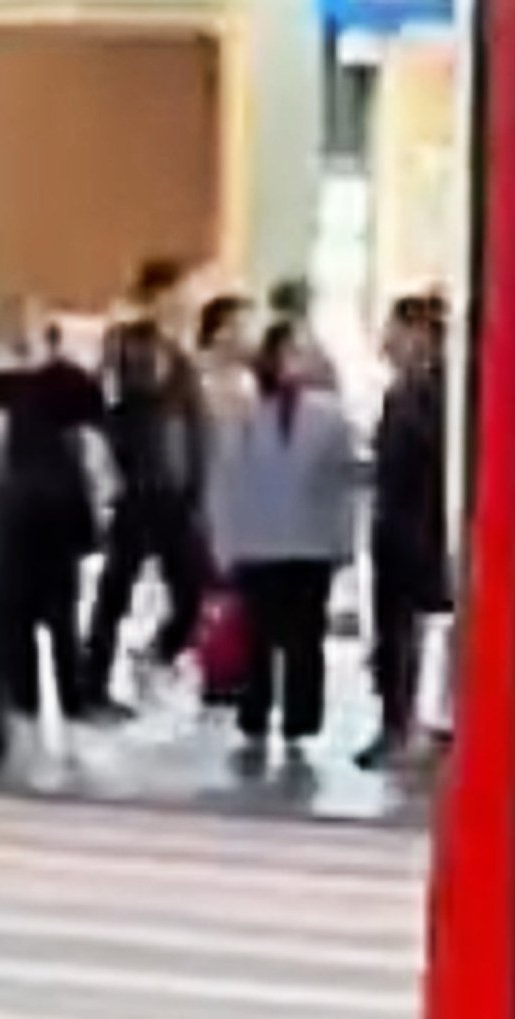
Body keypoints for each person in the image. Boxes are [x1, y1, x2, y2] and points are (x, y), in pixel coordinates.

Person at [204, 316, 357, 771]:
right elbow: (225, 481)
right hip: (259, 541)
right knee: (258, 636)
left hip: (309, 543)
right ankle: (256, 715)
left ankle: (300, 722)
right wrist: (224, 542)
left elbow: (340, 483)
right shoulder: (244, 415)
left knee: (304, 638)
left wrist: (341, 543)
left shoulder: (329, 417)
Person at [0, 303, 105, 771]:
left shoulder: (73, 384)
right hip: (11, 526)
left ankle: (72, 714)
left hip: (56, 520)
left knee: (61, 625)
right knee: (15, 625)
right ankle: (19, 719)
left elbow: (93, 449)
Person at [87, 257, 215, 713]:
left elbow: (195, 425)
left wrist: (199, 485)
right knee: (115, 589)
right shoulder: (127, 346)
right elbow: (110, 409)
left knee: (194, 589)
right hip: (138, 486)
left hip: (178, 492)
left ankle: (158, 653)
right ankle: (92, 684)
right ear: (156, 296)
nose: (186, 303)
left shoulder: (181, 354)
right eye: (178, 294)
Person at [362, 289, 454, 768]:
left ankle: (412, 727)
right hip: (397, 524)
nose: (390, 341)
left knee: (416, 632)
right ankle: (394, 723)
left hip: (425, 525)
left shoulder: (439, 393)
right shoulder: (404, 391)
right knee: (393, 635)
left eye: (399, 332)